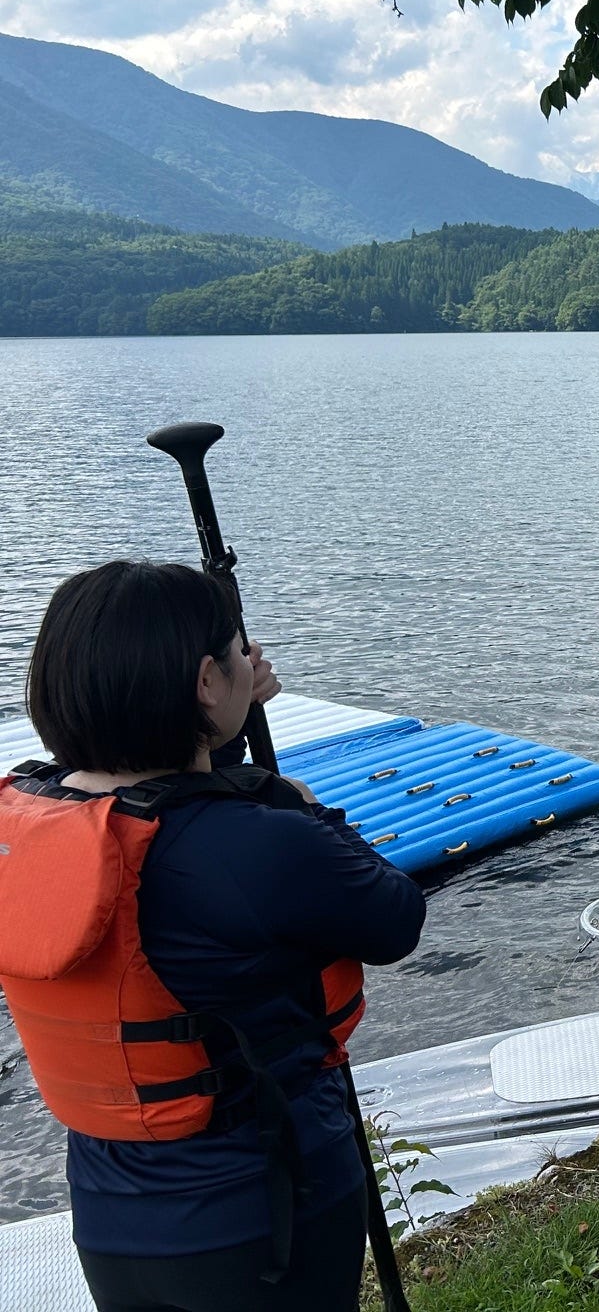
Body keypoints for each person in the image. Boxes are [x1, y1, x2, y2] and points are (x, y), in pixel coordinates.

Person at [0, 561, 425, 1312]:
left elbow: (159, 812)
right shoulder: (266, 842)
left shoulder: (28, 827)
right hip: (266, 1215)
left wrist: (215, 729)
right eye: (235, 655)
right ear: (204, 680)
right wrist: (300, 804)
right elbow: (395, 917)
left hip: (112, 1216)